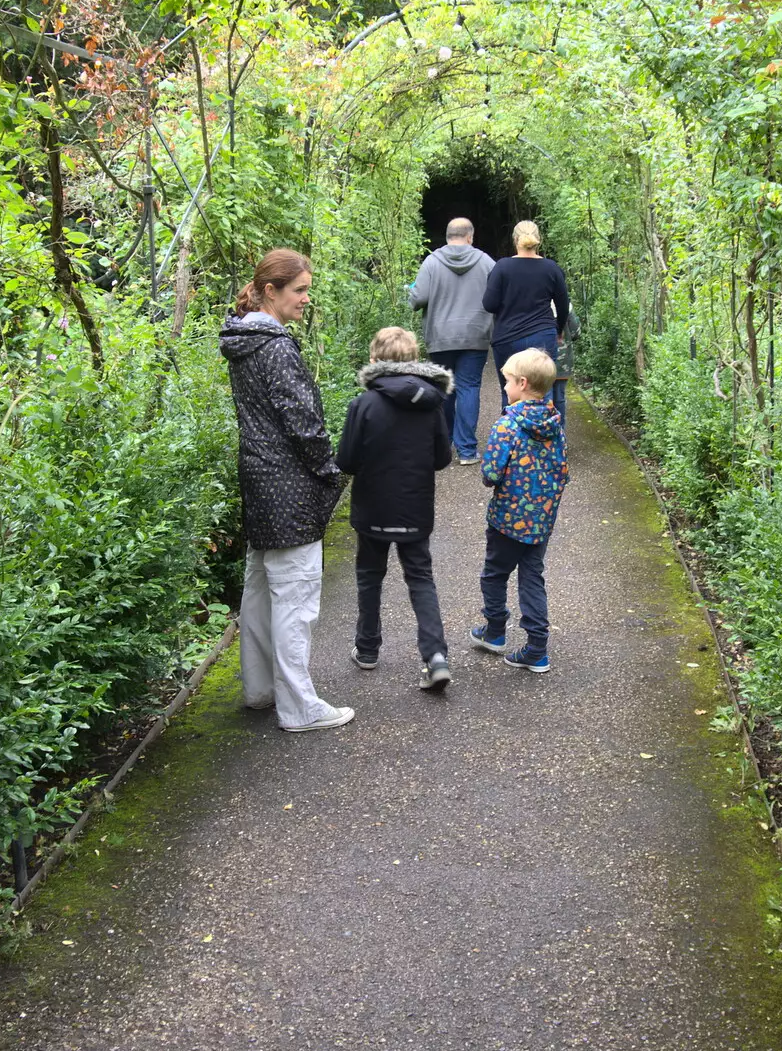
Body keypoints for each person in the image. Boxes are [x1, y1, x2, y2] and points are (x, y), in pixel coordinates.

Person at [219, 249, 354, 732]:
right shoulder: (274, 346)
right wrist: (328, 472)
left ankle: (260, 690)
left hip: (258, 478)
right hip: (288, 485)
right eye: (299, 290)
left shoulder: (243, 340)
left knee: (259, 592)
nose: (305, 299)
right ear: (270, 292)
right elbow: (303, 423)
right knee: (296, 597)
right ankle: (299, 707)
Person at [336, 327, 453, 693]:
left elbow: (347, 461)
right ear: (414, 361)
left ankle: (367, 649)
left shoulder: (364, 405)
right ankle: (435, 657)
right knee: (420, 577)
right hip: (415, 509)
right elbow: (441, 458)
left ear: (375, 360)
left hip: (372, 509)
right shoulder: (432, 404)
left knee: (370, 576)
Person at [470, 347, 569, 675]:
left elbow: (490, 474)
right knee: (532, 576)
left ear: (523, 383)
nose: (504, 386)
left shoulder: (508, 424)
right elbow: (562, 470)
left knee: (495, 573)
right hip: (541, 520)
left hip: (508, 521)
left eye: (508, 381)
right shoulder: (555, 422)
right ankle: (537, 649)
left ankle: (495, 631)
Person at [408, 217, 494, 465]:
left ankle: (444, 446)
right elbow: (498, 295)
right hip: (475, 335)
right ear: (470, 236)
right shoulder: (486, 262)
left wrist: (411, 291)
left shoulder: (431, 262)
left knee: (445, 389)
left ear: (447, 236)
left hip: (440, 336)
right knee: (469, 388)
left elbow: (418, 299)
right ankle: (467, 451)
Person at [482, 220, 569, 412]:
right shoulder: (551, 268)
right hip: (543, 336)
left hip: (508, 338)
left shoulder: (502, 267)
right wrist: (559, 329)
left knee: (510, 391)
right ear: (539, 240)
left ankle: (511, 438)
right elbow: (563, 306)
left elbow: (489, 304)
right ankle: (541, 439)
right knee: (541, 392)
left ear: (515, 240)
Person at [552, 299, 581, 423]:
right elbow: (576, 333)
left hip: (540, 362)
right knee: (559, 399)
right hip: (562, 363)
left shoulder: (537, 302)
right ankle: (560, 435)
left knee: (540, 399)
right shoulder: (566, 306)